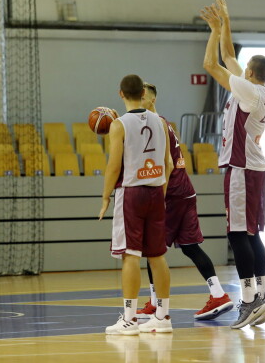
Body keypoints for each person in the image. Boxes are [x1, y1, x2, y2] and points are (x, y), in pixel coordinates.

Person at [200, 0, 265, 329]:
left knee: (237, 235)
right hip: (254, 169)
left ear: (249, 73)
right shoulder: (256, 89)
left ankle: (248, 301)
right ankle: (264, 293)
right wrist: (226, 23)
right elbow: (230, 56)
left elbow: (212, 65)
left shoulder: (247, 91)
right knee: (252, 233)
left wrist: (214, 31)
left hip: (241, 168)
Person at [137, 82, 233, 320]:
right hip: (186, 192)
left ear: (152, 100)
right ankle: (218, 294)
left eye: (143, 97)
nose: (139, 101)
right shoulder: (163, 123)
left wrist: (159, 197)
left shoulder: (155, 124)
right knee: (191, 247)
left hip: (173, 195)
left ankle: (153, 303)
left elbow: (166, 165)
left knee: (153, 250)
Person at [100, 74, 174, 335]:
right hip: (156, 192)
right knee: (157, 256)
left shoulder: (118, 125)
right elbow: (168, 163)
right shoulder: (160, 121)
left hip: (131, 193)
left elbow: (113, 165)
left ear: (121, 94)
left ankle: (130, 320)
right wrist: (161, 191)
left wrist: (105, 195)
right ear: (143, 93)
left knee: (130, 255)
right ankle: (163, 317)